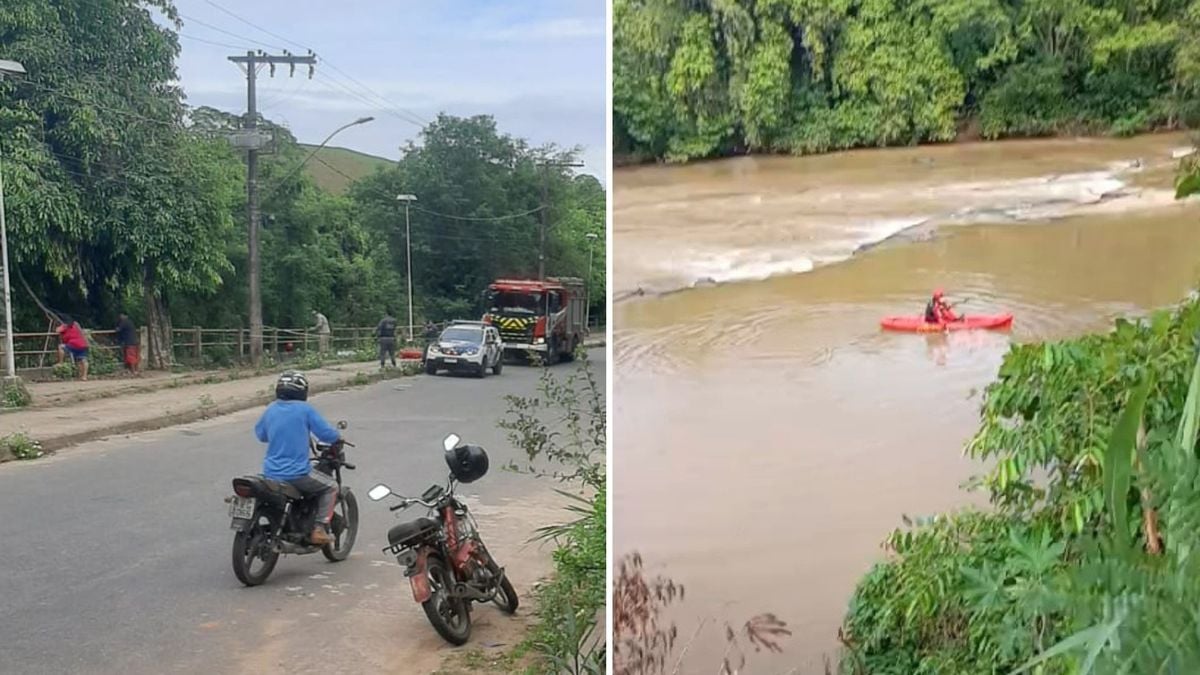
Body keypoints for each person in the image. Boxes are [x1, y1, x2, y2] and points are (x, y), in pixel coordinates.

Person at [253, 371, 341, 546]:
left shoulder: (271, 409)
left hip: (270, 473)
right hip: (297, 473)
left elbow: (261, 435)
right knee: (332, 487)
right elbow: (325, 433)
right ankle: (319, 529)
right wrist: (337, 437)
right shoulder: (305, 410)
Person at [55, 315, 90, 381]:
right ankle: (84, 376)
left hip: (73, 344)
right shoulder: (76, 324)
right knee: (83, 360)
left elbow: (57, 330)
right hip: (83, 344)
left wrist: (60, 326)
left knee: (61, 347)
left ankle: (61, 362)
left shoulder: (65, 326)